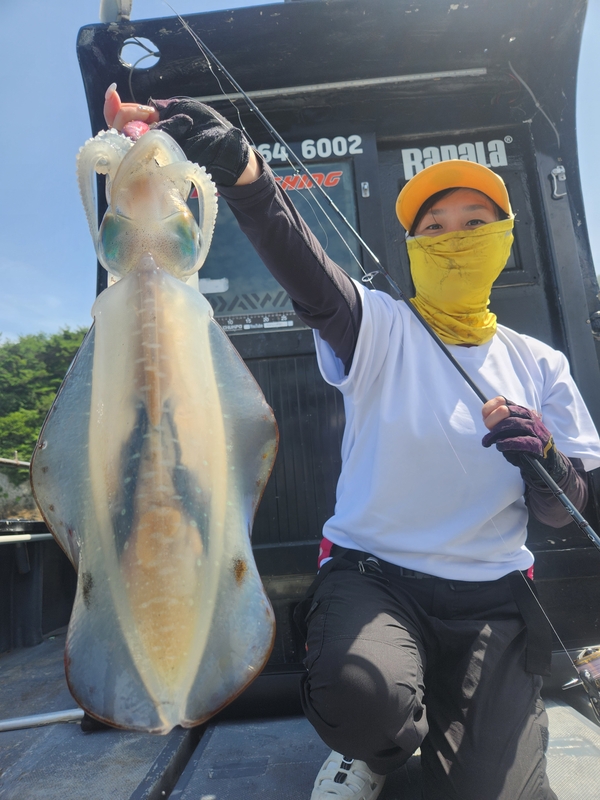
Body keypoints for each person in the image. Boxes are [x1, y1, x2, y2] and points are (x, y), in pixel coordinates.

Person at [104, 89, 600, 800]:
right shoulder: (378, 325)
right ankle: (377, 749)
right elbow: (305, 269)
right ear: (411, 245)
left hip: (492, 599)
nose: (453, 236)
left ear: (505, 237)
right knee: (361, 692)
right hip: (376, 577)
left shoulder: (542, 363)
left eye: (474, 222)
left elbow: (568, 512)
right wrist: (245, 171)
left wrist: (548, 463)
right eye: (433, 226)